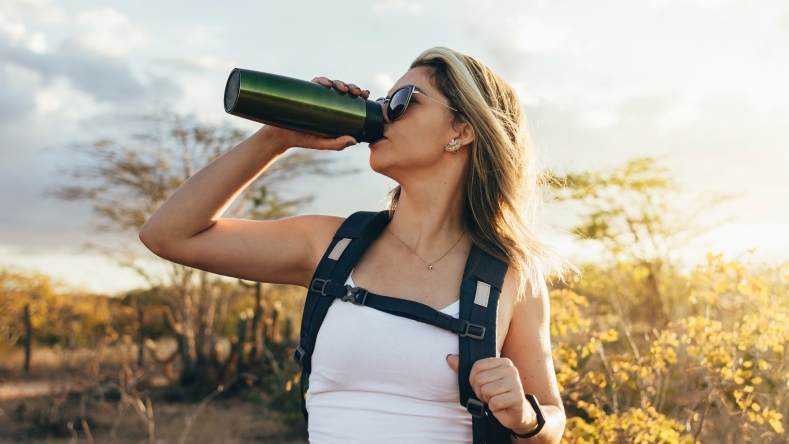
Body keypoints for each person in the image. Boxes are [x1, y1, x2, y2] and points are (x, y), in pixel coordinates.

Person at [139, 46, 568, 443]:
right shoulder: (331, 246)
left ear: (462, 129)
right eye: (382, 102)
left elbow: (552, 417)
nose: (381, 113)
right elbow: (168, 235)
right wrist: (277, 138)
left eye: (402, 102)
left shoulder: (508, 274)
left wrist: (527, 417)